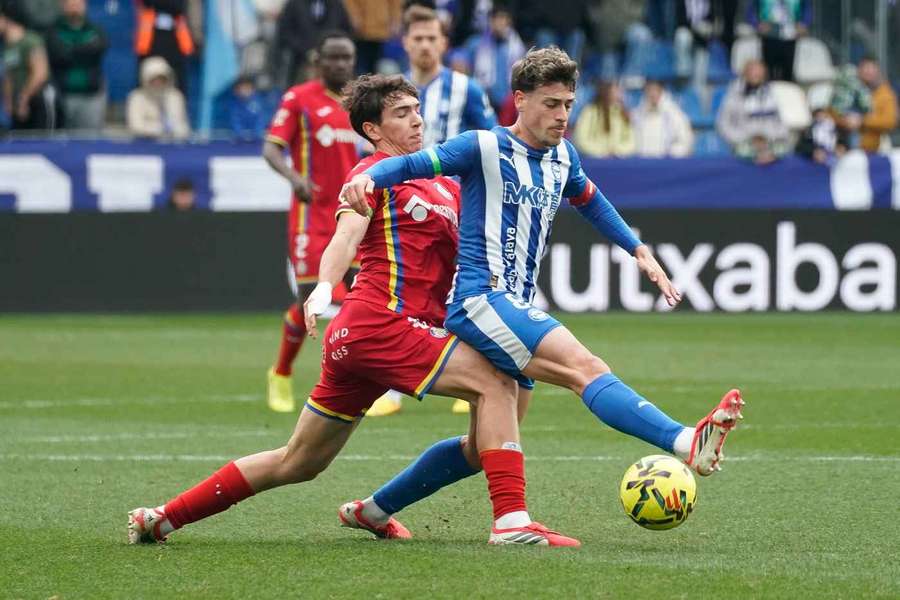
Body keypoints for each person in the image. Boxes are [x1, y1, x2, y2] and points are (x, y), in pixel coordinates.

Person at [128, 73, 579, 548]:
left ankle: (162, 518)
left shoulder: (443, 183)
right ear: (372, 130)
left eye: (416, 109)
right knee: (497, 385)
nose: (417, 120)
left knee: (299, 462)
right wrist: (324, 286)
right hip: (381, 323)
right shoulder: (369, 176)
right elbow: (345, 237)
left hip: (374, 337)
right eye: (401, 113)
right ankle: (510, 522)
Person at [337, 49, 744, 531]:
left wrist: (637, 249)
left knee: (480, 447)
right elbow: (413, 165)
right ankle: (683, 441)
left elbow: (591, 201)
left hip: (515, 303)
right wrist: (366, 178)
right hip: (480, 299)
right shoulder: (482, 146)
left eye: (568, 104)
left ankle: (373, 510)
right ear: (520, 99)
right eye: (551, 104)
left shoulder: (563, 156)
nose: (562, 115)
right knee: (585, 368)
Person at [368, 4, 497, 416]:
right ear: (406, 43)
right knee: (401, 285)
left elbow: (492, 143)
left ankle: (472, 376)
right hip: (405, 201)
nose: (425, 45)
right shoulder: (391, 93)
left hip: (458, 203)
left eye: (432, 38)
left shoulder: (465, 89)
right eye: (418, 38)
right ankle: (392, 387)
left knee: (464, 286)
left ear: (444, 43)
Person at [262, 31, 360, 414]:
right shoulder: (299, 99)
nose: (340, 64)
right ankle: (281, 372)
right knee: (311, 302)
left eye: (346, 57)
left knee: (362, 300)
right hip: (312, 217)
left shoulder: (360, 104)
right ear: (318, 60)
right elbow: (271, 149)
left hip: (355, 216)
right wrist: (295, 178)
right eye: (333, 57)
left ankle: (359, 383)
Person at [46, 0, 108, 132]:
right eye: (71, 5)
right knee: (61, 138)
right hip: (62, 96)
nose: (74, 9)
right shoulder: (54, 30)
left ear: (85, 6)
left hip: (91, 95)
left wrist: (71, 49)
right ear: (63, 7)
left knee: (90, 138)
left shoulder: (95, 29)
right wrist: (85, 49)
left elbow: (98, 50)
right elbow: (59, 55)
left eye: (78, 5)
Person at [716, 59, 789, 165]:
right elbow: (723, 123)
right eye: (753, 73)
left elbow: (780, 122)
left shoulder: (771, 94)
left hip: (770, 142)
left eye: (759, 74)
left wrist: (771, 138)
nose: (757, 76)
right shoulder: (733, 95)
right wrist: (745, 139)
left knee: (784, 152)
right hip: (744, 142)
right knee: (744, 153)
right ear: (745, 74)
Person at [0, 2, 57, 131]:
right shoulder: (6, 47)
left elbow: (41, 74)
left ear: (6, 19)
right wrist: (9, 102)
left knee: (42, 139)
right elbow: (8, 76)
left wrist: (24, 98)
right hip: (19, 102)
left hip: (39, 100)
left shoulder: (30, 40)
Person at [462, 5, 526, 113]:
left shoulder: (517, 47)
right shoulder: (476, 44)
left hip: (509, 102)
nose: (498, 23)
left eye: (502, 18)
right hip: (483, 99)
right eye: (495, 18)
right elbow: (465, 70)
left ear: (508, 21)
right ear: (490, 21)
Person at [274, 0, 351, 88]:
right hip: (299, 61)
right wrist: (306, 51)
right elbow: (285, 32)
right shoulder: (294, 3)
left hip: (331, 64)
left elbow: (346, 31)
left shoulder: (336, 4)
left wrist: (330, 51)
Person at [134, 0, 197, 95]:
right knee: (147, 74)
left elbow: (179, 6)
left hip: (176, 38)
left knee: (178, 82)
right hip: (150, 39)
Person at [125, 56, 190, 140]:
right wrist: (161, 129)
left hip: (172, 143)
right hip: (143, 143)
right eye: (154, 79)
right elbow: (136, 126)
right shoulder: (136, 98)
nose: (158, 82)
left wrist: (176, 130)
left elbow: (182, 126)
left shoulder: (175, 96)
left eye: (162, 79)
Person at [746, 0, 812, 83]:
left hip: (790, 35)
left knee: (787, 75)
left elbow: (807, 8)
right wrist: (756, 24)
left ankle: (786, 89)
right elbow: (751, 10)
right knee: (768, 74)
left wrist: (804, 24)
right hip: (769, 36)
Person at [572, 80, 635, 158]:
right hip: (595, 160)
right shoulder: (590, 112)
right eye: (615, 89)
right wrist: (601, 151)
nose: (619, 93)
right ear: (606, 91)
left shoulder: (622, 113)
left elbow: (631, 141)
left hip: (618, 160)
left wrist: (618, 151)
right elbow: (581, 139)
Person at [631, 80, 694, 158]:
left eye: (655, 90)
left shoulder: (674, 113)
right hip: (643, 160)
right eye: (649, 90)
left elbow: (685, 140)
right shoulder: (638, 113)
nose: (652, 94)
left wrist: (671, 154)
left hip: (666, 161)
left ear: (661, 91)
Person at [855, 57, 898, 153]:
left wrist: (863, 121)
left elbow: (889, 121)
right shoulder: (850, 90)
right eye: (864, 69)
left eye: (870, 69)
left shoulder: (885, 93)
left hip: (875, 149)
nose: (867, 72)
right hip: (847, 147)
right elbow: (833, 112)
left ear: (877, 71)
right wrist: (845, 121)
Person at [226, 74, 268, 140]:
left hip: (256, 138)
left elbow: (260, 119)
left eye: (247, 88)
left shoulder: (258, 102)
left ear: (253, 90)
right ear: (236, 91)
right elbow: (234, 121)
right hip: (239, 139)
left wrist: (257, 132)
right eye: (242, 88)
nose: (244, 91)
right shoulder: (233, 104)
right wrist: (239, 134)